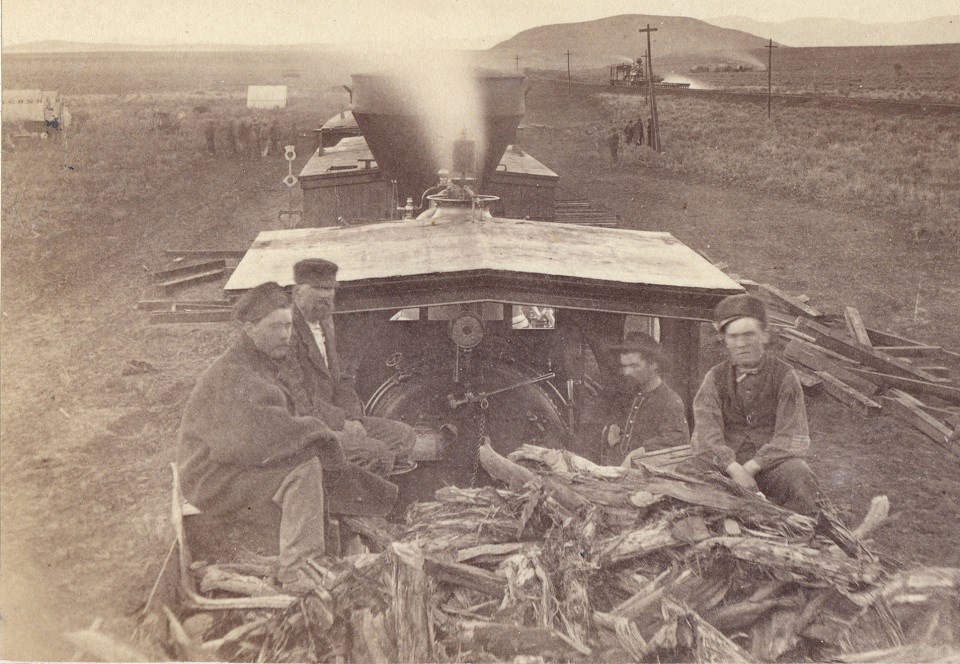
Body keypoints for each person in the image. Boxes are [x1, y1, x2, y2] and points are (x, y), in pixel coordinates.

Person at [177, 282, 398, 586]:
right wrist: (323, 437)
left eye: (288, 327)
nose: (285, 335)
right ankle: (300, 569)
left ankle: (335, 537)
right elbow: (265, 436)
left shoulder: (258, 362)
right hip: (210, 477)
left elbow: (277, 427)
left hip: (228, 463)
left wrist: (322, 440)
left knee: (319, 459)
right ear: (250, 328)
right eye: (276, 327)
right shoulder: (237, 373)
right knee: (303, 470)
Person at [280, 259, 417, 476]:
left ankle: (363, 485)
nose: (327, 295)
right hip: (305, 426)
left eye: (330, 288)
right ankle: (345, 503)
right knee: (376, 453)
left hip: (332, 419)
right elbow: (298, 398)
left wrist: (352, 418)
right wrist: (342, 424)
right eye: (318, 288)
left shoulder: (324, 323)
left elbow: (342, 379)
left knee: (404, 435)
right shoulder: (286, 331)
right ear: (297, 292)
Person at [690, 294, 822, 514]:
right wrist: (733, 468)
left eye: (749, 334)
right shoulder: (714, 377)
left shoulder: (785, 376)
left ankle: (799, 532)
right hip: (725, 464)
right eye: (733, 337)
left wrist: (751, 467)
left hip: (770, 465)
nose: (741, 344)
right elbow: (707, 431)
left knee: (800, 475)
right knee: (688, 476)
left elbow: (790, 434)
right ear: (725, 340)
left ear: (764, 335)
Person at [600, 332, 689, 467]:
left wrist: (640, 452)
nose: (627, 372)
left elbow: (675, 441)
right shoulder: (627, 396)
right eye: (624, 366)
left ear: (653, 364)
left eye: (634, 366)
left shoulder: (670, 400)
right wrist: (610, 429)